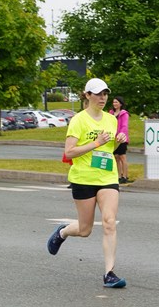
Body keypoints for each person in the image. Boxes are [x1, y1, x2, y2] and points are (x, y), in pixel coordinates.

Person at [46, 78, 127, 288]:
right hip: (83, 178)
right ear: (87, 95)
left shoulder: (111, 119)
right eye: (98, 94)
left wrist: (116, 141)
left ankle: (109, 273)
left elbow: (108, 149)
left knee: (109, 221)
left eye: (105, 94)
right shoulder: (79, 120)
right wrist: (96, 143)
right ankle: (62, 232)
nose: (103, 98)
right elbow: (69, 151)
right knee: (85, 230)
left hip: (107, 176)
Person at [110, 96, 132, 183]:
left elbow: (124, 126)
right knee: (116, 157)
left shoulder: (124, 113)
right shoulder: (111, 113)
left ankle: (125, 176)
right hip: (113, 138)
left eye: (116, 102)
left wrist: (121, 134)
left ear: (121, 104)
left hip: (122, 138)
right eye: (114, 102)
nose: (115, 104)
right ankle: (118, 175)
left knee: (122, 156)